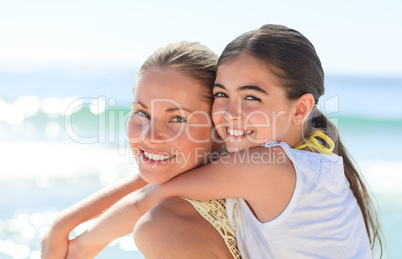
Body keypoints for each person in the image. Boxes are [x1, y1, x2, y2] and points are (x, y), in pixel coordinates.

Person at [129, 24, 383, 258]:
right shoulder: (282, 153)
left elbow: (147, 197)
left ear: (300, 109)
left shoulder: (270, 166)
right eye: (221, 94)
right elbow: (152, 181)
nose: (229, 113)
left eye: (250, 97)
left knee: (158, 227)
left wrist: (88, 243)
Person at [41, 41, 240, 259]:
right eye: (142, 113)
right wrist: (65, 226)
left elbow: (142, 199)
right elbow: (147, 188)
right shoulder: (210, 173)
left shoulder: (163, 228)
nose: (150, 136)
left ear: (219, 130)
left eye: (177, 118)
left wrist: (81, 244)